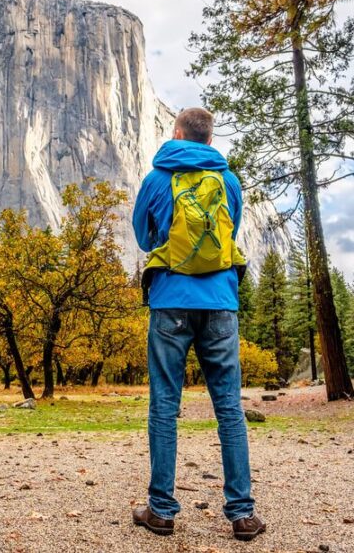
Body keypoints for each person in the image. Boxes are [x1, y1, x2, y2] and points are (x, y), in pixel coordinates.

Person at [131, 108, 266, 542]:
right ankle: (242, 514)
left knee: (165, 406)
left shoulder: (156, 180)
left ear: (177, 134)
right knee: (229, 408)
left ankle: (161, 510)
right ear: (209, 139)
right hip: (221, 303)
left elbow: (142, 234)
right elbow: (230, 232)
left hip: (170, 300)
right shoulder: (227, 180)